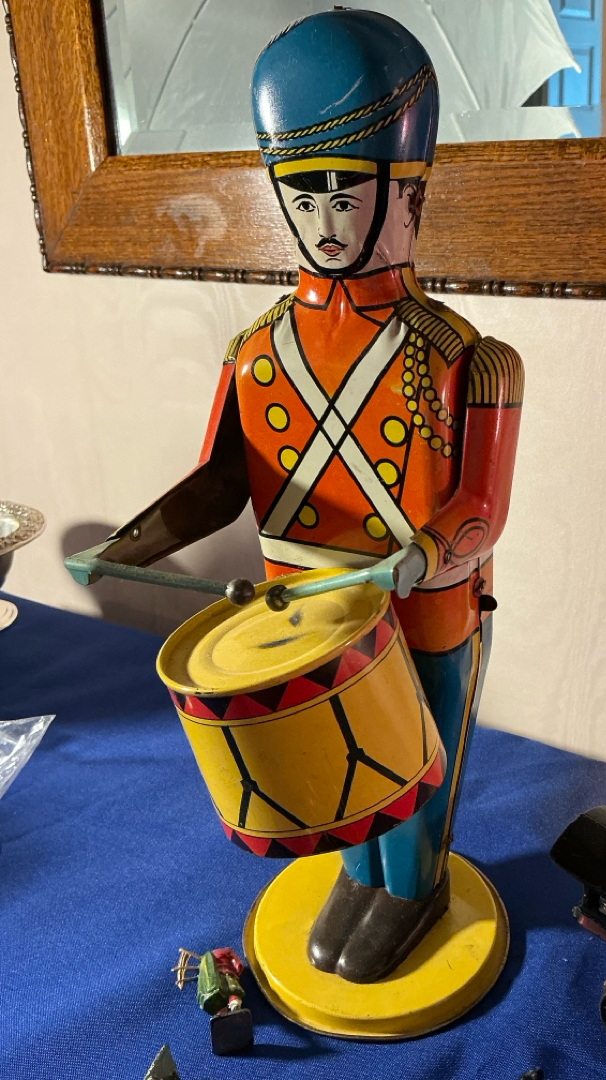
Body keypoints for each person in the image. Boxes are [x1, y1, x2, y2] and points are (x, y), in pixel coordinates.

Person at [97, 9, 523, 984]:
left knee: (411, 766)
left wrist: (426, 555)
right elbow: (220, 481)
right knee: (330, 772)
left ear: (406, 194)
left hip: (422, 611)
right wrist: (132, 545)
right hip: (305, 609)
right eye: (304, 196)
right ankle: (361, 879)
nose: (326, 222)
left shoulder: (466, 357)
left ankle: (413, 891)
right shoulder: (255, 349)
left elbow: (482, 508)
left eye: (347, 195)